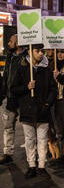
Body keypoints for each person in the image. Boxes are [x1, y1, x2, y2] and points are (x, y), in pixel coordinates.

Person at [11, 44, 57, 179]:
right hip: (27, 111)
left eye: (42, 51)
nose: (41, 54)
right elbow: (14, 88)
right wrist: (27, 87)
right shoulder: (22, 68)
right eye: (37, 51)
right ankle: (31, 165)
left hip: (43, 111)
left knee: (42, 140)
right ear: (30, 52)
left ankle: (42, 166)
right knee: (29, 139)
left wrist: (48, 103)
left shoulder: (46, 69)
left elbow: (53, 89)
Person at [0, 34, 26, 164]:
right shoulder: (9, 57)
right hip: (10, 98)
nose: (9, 43)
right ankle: (7, 153)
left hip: (23, 98)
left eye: (11, 41)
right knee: (8, 127)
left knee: (28, 128)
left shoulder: (26, 57)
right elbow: (5, 77)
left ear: (18, 44)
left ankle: (32, 155)